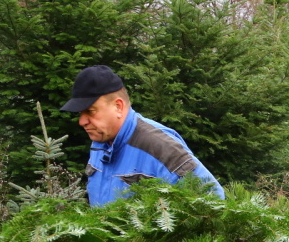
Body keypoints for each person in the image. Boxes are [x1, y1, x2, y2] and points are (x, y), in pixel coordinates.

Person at [60, 64, 224, 206]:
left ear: (118, 106)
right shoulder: (100, 143)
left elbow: (212, 199)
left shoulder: (158, 145)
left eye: (90, 111)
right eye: (81, 113)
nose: (82, 121)